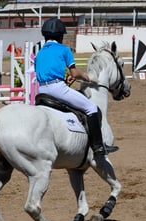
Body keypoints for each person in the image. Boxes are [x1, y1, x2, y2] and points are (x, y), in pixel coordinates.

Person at [34, 17, 112, 168]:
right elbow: (75, 73)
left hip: (41, 89)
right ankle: (98, 147)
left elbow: (44, 72)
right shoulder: (64, 49)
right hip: (57, 88)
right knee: (92, 108)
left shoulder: (40, 52)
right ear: (61, 36)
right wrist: (87, 77)